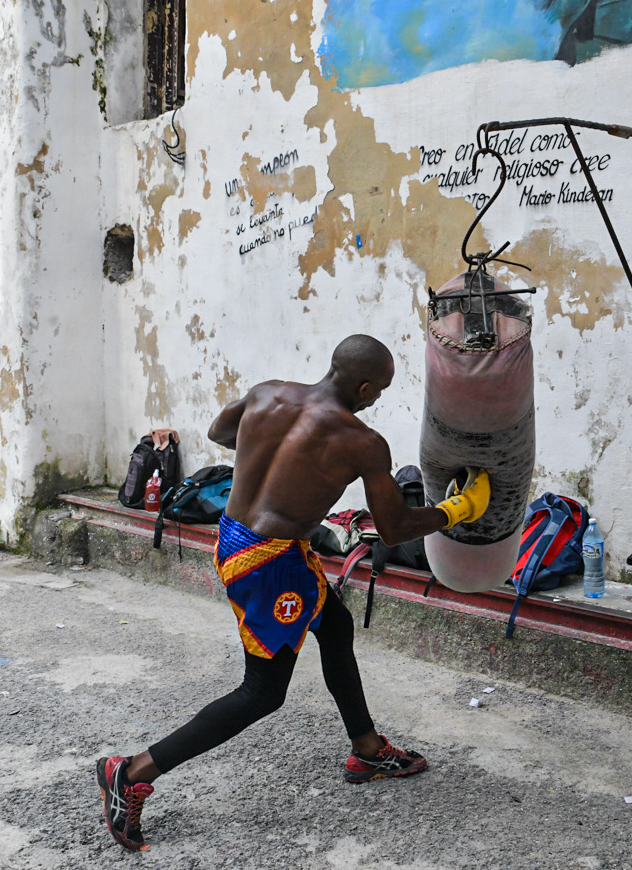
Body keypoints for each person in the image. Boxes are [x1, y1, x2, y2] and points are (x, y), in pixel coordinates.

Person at [96, 334, 490, 851]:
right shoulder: (362, 442)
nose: (378, 399)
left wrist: (276, 460)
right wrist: (458, 510)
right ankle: (130, 773)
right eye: (380, 390)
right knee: (262, 692)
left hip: (240, 538)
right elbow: (394, 529)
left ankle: (367, 748)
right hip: (270, 565)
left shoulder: (268, 393)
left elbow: (220, 431)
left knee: (336, 625)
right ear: (365, 387)